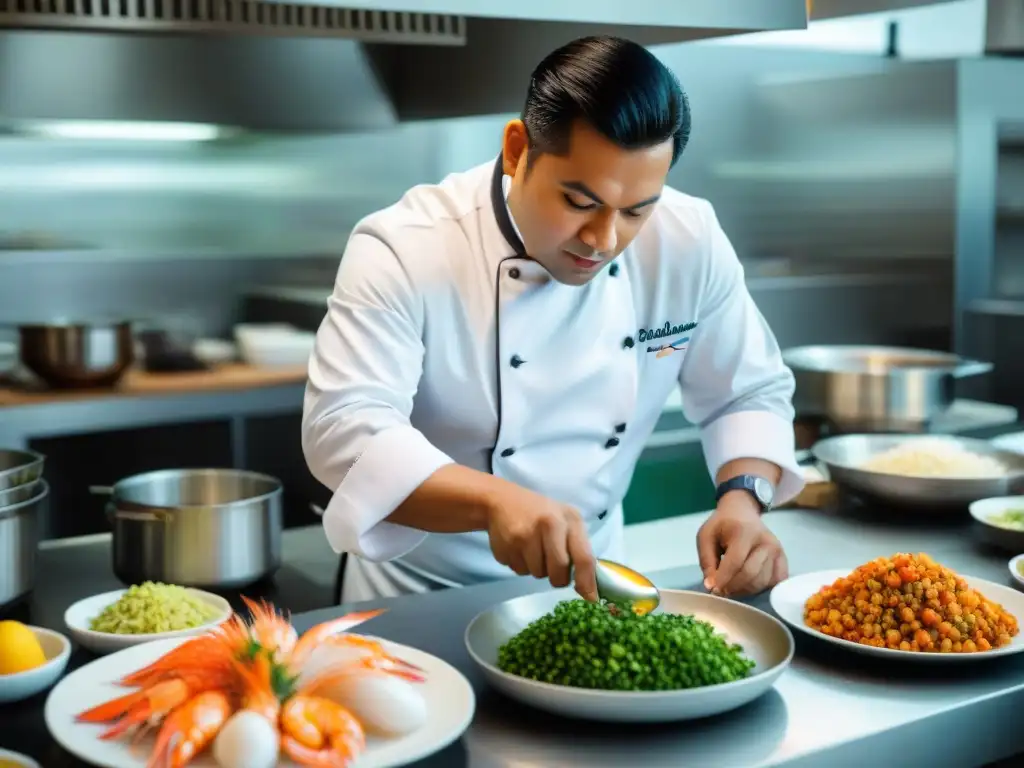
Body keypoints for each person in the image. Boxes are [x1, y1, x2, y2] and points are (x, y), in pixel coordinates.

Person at [302, 35, 805, 605]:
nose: (604, 240)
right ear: (518, 150)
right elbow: (344, 428)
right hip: (417, 593)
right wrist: (493, 501)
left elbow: (748, 392)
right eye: (579, 202)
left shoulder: (689, 238)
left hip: (598, 586)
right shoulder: (406, 246)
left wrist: (743, 499)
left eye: (637, 210)